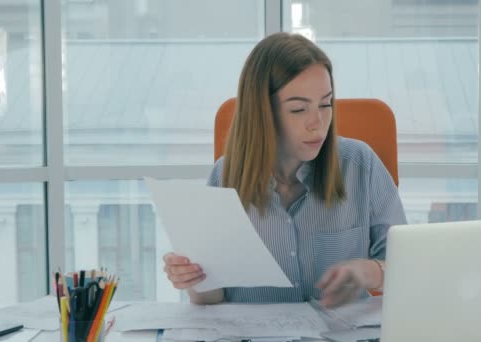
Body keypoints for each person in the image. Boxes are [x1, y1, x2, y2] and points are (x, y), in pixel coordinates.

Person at [163, 32, 407, 308]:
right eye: (299, 109)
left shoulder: (361, 165)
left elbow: (410, 272)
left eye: (326, 104)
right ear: (262, 112)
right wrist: (193, 279)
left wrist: (369, 271)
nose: (318, 123)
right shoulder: (225, 177)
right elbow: (212, 298)